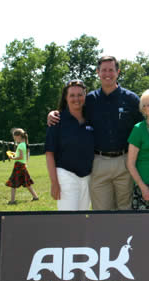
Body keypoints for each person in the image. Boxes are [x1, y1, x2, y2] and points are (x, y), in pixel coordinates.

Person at [48, 56, 143, 210]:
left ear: (117, 72)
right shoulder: (90, 100)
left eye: (111, 70)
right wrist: (53, 113)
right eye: (103, 70)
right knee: (101, 213)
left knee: (126, 211)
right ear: (98, 72)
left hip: (125, 162)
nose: (107, 74)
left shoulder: (131, 99)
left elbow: (142, 128)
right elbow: (72, 110)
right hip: (98, 162)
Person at [45, 79, 95, 211]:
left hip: (88, 177)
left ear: (85, 96)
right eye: (72, 95)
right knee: (68, 220)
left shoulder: (92, 119)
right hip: (66, 175)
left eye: (80, 95)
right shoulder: (56, 120)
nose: (76, 99)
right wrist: (54, 183)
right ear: (66, 98)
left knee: (83, 218)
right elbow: (49, 154)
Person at [5, 128, 39, 205]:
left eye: (14, 138)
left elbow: (20, 157)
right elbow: (22, 154)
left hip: (18, 166)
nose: (14, 139)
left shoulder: (20, 145)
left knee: (13, 182)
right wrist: (14, 153)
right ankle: (35, 197)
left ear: (19, 136)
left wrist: (12, 157)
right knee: (26, 182)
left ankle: (12, 201)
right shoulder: (24, 145)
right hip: (22, 166)